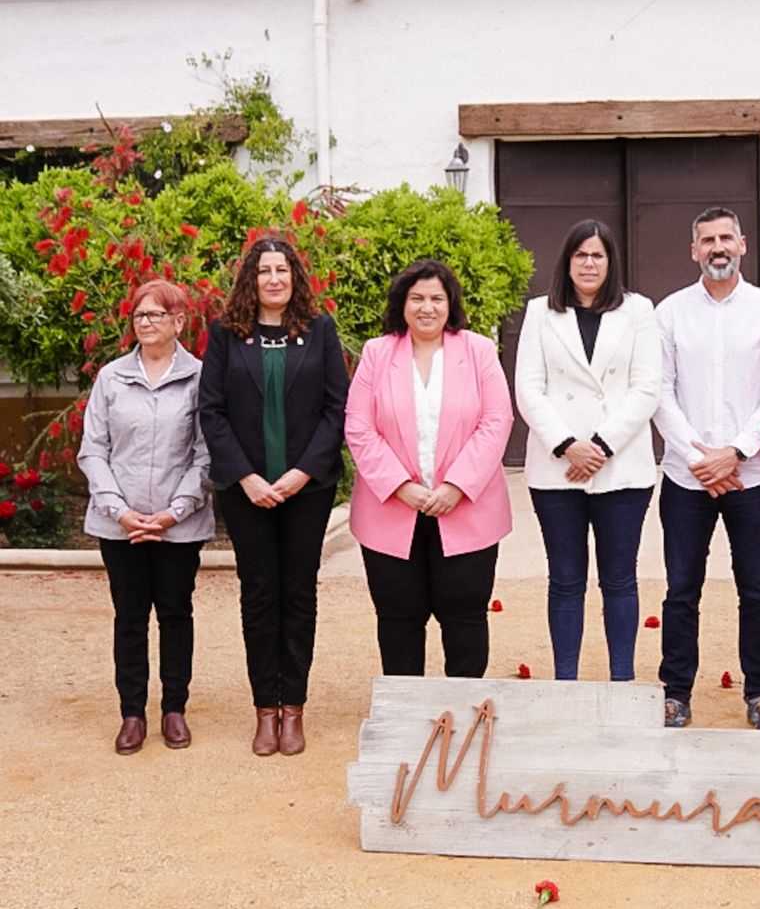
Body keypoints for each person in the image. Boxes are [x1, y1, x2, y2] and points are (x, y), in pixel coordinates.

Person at [199, 235, 348, 758]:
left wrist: (303, 472)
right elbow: (211, 412)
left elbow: (337, 410)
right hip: (248, 492)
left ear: (295, 276)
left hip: (308, 489)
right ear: (250, 279)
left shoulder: (319, 330)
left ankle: (295, 709)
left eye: (282, 269)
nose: (274, 279)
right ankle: (266, 709)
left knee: (299, 594)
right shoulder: (225, 334)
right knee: (260, 595)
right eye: (264, 271)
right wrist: (245, 477)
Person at [653, 207, 760, 729]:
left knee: (755, 587)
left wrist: (733, 453)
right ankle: (676, 693)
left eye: (726, 238)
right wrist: (699, 458)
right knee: (680, 589)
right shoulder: (669, 312)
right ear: (694, 250)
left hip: (751, 475)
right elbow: (660, 392)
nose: (717, 247)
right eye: (707, 239)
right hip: (684, 477)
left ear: (743, 244)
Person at [346, 259, 513, 680]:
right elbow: (359, 426)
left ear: (450, 303)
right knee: (398, 619)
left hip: (465, 508)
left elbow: (497, 421)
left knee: (466, 618)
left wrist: (457, 485)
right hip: (391, 510)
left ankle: (464, 711)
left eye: (436, 298)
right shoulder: (377, 353)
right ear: (402, 304)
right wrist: (401, 486)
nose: (427, 307)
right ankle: (407, 718)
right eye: (417, 298)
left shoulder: (477, 351)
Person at [514, 221, 661, 681]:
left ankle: (622, 681)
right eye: (581, 255)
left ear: (611, 261)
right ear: (567, 261)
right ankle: (566, 682)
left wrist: (599, 446)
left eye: (598, 255)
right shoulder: (541, 312)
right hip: (557, 471)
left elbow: (647, 386)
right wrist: (567, 445)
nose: (590, 264)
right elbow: (528, 388)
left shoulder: (638, 310)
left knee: (619, 579)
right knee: (565, 580)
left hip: (622, 469)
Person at [78, 280, 213, 755]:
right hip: (121, 525)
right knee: (130, 617)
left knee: (176, 614)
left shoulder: (201, 378)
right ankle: (132, 714)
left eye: (157, 315)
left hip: (180, 524)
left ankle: (174, 709)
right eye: (140, 315)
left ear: (180, 322)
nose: (146, 323)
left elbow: (205, 454)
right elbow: (93, 450)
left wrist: (175, 512)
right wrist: (121, 511)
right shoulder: (111, 378)